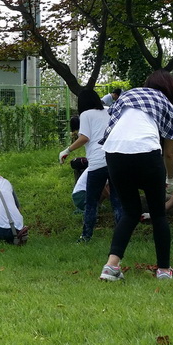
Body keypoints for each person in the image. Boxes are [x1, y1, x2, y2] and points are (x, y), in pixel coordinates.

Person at [98, 70, 173, 281]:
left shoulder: (128, 95)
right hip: (147, 152)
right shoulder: (167, 104)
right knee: (158, 214)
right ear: (170, 88)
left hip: (113, 153)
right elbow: (169, 152)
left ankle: (111, 267)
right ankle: (164, 270)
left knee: (130, 212)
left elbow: (114, 124)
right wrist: (171, 180)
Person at [59, 89, 122, 242]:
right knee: (117, 200)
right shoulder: (109, 111)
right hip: (116, 160)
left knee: (91, 202)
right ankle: (122, 234)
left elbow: (84, 138)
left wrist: (67, 150)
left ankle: (86, 236)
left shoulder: (86, 115)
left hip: (98, 162)